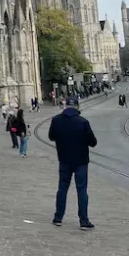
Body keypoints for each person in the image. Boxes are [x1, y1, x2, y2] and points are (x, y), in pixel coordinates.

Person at [48, 96, 97, 230]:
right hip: (81, 161)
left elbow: (51, 136)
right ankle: (83, 220)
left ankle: (58, 217)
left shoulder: (56, 120)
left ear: (65, 106)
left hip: (64, 159)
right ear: (77, 106)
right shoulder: (83, 122)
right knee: (81, 190)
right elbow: (93, 142)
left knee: (62, 188)